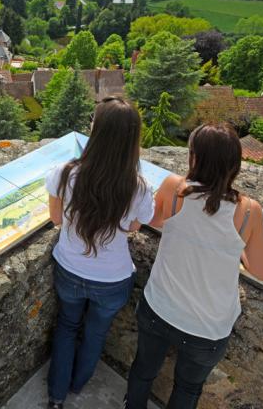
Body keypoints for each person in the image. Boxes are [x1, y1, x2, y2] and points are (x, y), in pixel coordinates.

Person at [125, 123, 263, 409]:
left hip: (160, 307)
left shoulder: (174, 188)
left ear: (194, 157)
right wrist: (238, 251)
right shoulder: (249, 211)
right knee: (188, 388)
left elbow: (153, 220)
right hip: (208, 327)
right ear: (235, 165)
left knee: (143, 371)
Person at [45, 97, 155, 409]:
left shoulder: (66, 173)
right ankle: (79, 385)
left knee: (67, 327)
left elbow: (55, 219)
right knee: (95, 335)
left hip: (69, 269)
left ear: (96, 130)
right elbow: (135, 225)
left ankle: (56, 396)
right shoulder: (138, 186)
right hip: (112, 279)